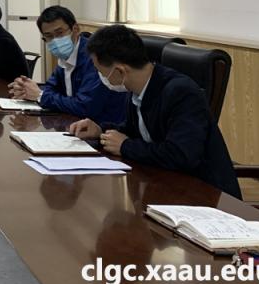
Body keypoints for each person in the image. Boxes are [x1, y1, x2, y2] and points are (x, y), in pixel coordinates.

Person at [67, 25, 242, 198]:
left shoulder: (181, 92)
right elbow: (134, 131)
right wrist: (100, 130)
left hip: (205, 195)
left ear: (120, 71)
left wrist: (126, 146)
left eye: (100, 72)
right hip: (165, 185)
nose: (101, 77)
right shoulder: (137, 88)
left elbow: (181, 155)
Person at [9, 5, 127, 125]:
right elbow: (51, 87)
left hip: (103, 128)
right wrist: (28, 90)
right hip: (72, 123)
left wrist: (41, 96)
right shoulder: (65, 56)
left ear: (75, 29)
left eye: (59, 33)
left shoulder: (94, 57)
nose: (55, 40)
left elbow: (85, 106)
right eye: (49, 36)